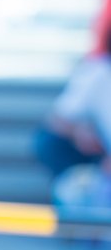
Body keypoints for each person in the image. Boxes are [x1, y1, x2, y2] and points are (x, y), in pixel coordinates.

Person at [33, 27, 111, 197]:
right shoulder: (99, 72)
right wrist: (80, 131)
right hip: (98, 166)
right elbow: (58, 118)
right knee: (49, 141)